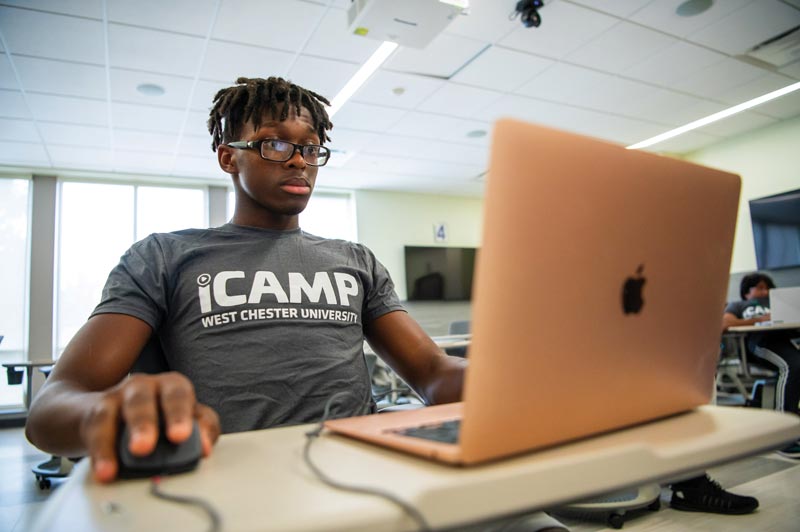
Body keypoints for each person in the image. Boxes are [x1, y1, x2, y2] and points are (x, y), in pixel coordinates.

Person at [24, 77, 567, 532]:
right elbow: (50, 411)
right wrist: (105, 411)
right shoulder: (164, 256)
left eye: (310, 147)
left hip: (369, 469)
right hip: (237, 488)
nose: (299, 161)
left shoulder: (353, 259)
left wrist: (512, 384)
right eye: (274, 143)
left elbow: (430, 371)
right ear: (227, 158)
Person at [722, 272, 800, 458]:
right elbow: (726, 323)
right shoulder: (740, 305)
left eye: (767, 288)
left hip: (786, 341)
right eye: (759, 288)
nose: (765, 291)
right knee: (793, 366)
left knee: (796, 364)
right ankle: (784, 437)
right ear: (746, 293)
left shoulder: (780, 303)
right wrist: (760, 319)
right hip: (761, 343)